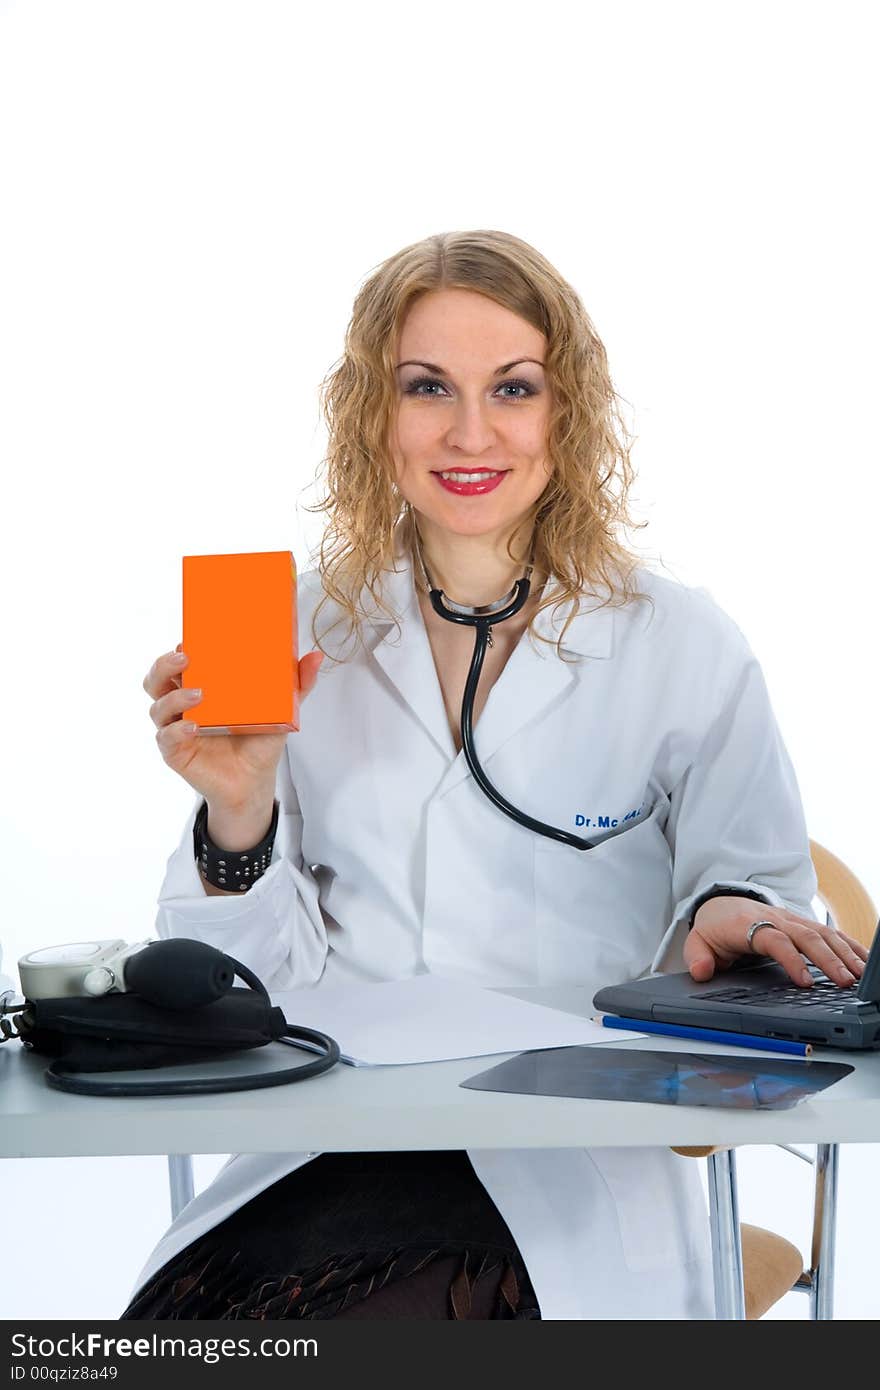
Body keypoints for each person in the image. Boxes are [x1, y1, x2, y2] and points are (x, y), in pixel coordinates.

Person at [123, 229, 867, 1321]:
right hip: (331, 1136)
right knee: (170, 1334)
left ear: (565, 413)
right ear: (371, 415)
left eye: (512, 387)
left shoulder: (679, 642)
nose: (470, 432)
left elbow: (751, 884)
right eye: (426, 386)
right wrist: (236, 814)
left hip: (568, 1150)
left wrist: (731, 916)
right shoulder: (289, 628)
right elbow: (241, 996)